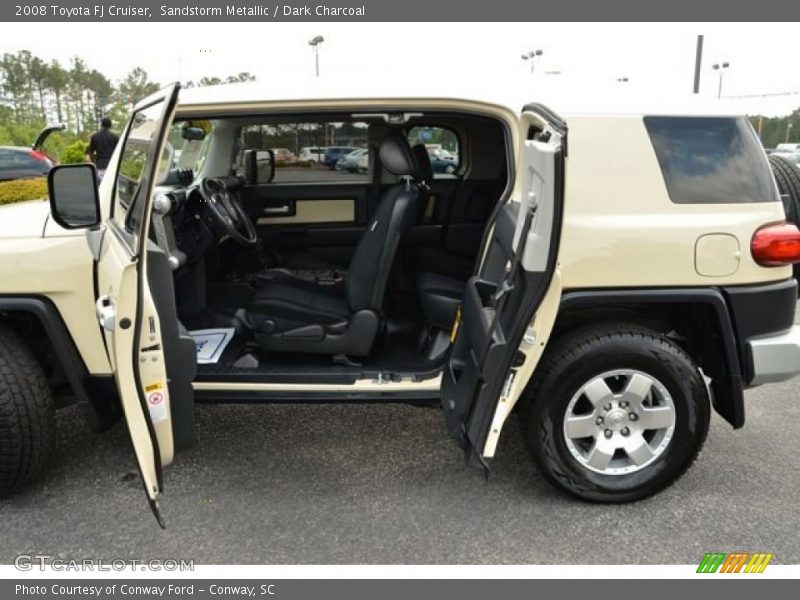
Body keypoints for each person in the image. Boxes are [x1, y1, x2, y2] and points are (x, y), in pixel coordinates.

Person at [86, 117, 119, 181]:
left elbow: (91, 152)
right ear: (110, 126)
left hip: (100, 165)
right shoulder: (115, 137)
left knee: (101, 185)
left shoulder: (95, 136)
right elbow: (118, 152)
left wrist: (94, 161)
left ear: (101, 125)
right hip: (112, 165)